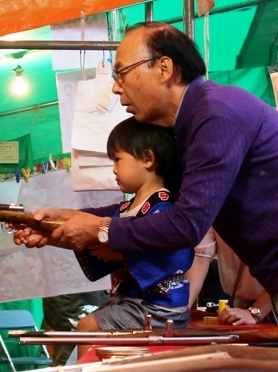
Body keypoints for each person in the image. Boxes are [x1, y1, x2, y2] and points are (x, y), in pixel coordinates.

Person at [14, 22, 278, 341]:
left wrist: (100, 228)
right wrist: (63, 222)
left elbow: (186, 223)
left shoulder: (216, 114)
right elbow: (154, 207)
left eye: (122, 72)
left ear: (164, 68)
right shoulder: (191, 128)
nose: (116, 88)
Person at [70, 117, 195, 358]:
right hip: (135, 301)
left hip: (159, 308)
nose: (114, 169)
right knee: (88, 325)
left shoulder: (164, 209)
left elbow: (171, 255)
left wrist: (118, 251)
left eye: (117, 159)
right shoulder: (131, 207)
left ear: (148, 159)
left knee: (86, 328)